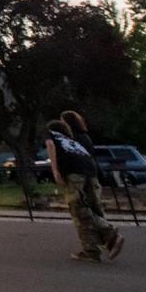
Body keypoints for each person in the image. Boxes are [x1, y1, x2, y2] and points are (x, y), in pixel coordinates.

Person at [46, 119, 124, 262]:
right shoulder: (72, 141)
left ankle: (108, 232)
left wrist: (55, 171)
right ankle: (91, 250)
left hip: (74, 173)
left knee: (79, 209)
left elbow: (50, 145)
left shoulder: (51, 134)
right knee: (85, 209)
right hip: (90, 172)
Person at [61, 110, 106, 219]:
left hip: (77, 174)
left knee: (79, 207)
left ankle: (97, 231)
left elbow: (68, 157)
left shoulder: (70, 138)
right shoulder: (85, 136)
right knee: (95, 205)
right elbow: (91, 156)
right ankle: (106, 230)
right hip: (91, 173)